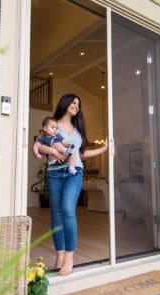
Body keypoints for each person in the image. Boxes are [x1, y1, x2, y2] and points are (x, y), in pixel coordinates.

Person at [33, 93, 108, 276]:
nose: (76, 105)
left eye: (78, 104)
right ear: (65, 103)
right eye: (73, 102)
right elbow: (39, 145)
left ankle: (69, 256)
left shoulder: (78, 129)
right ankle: (59, 255)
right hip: (54, 174)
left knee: (67, 210)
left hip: (74, 173)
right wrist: (53, 151)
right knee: (56, 215)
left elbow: (81, 154)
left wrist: (103, 149)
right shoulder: (52, 123)